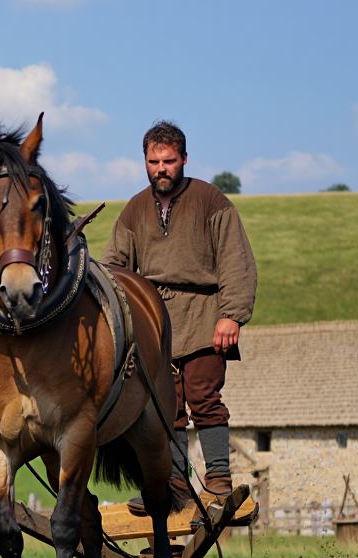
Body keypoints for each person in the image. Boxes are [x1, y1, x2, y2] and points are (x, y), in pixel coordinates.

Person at [101, 121, 257, 515]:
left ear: (184, 159)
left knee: (204, 397)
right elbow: (114, 264)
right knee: (165, 409)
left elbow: (236, 261)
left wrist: (232, 315)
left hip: (205, 317)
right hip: (155, 325)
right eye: (153, 161)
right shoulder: (135, 209)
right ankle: (173, 486)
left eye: (168, 160)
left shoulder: (211, 200)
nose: (161, 168)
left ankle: (219, 482)